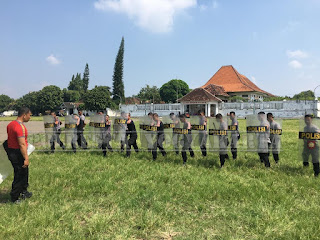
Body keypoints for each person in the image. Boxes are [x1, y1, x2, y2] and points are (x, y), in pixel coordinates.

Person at [5, 107, 32, 204]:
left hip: (12, 150)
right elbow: (22, 144)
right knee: (19, 173)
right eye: (29, 115)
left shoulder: (11, 124)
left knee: (24, 172)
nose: (30, 117)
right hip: (17, 153)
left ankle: (24, 191)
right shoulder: (20, 127)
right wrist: (26, 158)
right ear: (24, 115)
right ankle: (15, 197)